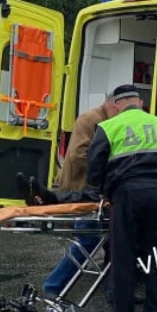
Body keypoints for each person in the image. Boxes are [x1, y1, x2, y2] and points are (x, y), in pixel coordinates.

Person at [86, 84, 157, 312]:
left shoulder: (109, 127)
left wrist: (104, 191)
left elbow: (94, 168)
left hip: (127, 196)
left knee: (123, 259)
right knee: (155, 259)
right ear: (140, 103)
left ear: (117, 105)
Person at [23, 95, 119, 298]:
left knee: (112, 241)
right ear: (112, 104)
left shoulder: (97, 118)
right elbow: (79, 155)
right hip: (83, 187)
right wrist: (114, 168)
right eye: (120, 110)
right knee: (88, 239)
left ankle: (113, 289)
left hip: (88, 189)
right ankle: (54, 285)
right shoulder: (93, 120)